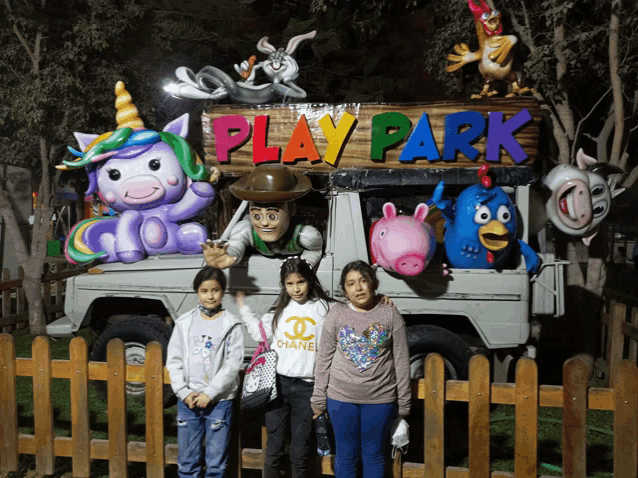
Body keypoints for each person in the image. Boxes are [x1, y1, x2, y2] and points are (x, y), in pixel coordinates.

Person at [233, 256, 336, 478]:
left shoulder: (326, 308)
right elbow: (259, 332)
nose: (296, 289)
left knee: (300, 451)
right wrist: (242, 308)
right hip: (278, 386)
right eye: (290, 284)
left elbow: (353, 312)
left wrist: (381, 300)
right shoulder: (278, 310)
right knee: (274, 448)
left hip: (308, 389)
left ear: (310, 279)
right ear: (284, 285)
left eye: (301, 282)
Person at [310, 260, 411, 478]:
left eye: (363, 281)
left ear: (373, 283)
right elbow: (323, 358)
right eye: (351, 283)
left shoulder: (390, 314)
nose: (358, 288)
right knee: (345, 455)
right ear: (344, 289)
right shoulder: (337, 314)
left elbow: (402, 360)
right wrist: (318, 399)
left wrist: (403, 404)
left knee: (374, 454)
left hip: (380, 400)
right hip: (340, 399)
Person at [166, 266, 245, 478]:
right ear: (197, 292)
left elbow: (232, 364)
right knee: (187, 461)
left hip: (219, 402)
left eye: (215, 290)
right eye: (204, 291)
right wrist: (183, 392)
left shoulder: (231, 324)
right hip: (189, 401)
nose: (210, 296)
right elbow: (173, 360)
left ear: (222, 291)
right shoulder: (184, 323)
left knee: (216, 463)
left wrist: (210, 392)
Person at [202, 164, 323, 269]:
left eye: (272, 216)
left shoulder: (306, 235)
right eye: (257, 216)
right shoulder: (246, 230)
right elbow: (235, 245)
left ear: (292, 210)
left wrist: (305, 265)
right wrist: (226, 255)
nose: (264, 223)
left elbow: (315, 250)